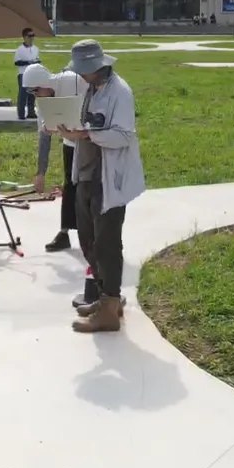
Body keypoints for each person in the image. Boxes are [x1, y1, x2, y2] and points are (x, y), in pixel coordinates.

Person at [55, 40, 146, 334]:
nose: (81, 76)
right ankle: (109, 298)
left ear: (98, 67)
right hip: (87, 173)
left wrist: (86, 134)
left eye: (85, 71)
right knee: (88, 239)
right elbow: (87, 125)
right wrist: (63, 127)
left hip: (108, 178)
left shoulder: (120, 92)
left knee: (106, 243)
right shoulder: (92, 89)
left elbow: (123, 136)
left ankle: (109, 308)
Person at [22, 63, 89, 259]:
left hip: (88, 141)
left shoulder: (71, 80)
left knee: (88, 186)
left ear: (45, 83)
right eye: (31, 92)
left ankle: (91, 233)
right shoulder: (42, 104)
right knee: (69, 185)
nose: (35, 95)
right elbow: (44, 138)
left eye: (36, 90)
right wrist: (41, 173)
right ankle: (64, 232)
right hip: (69, 143)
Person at [13, 28, 40, 120]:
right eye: (30, 36)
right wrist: (28, 62)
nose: (32, 38)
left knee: (32, 94)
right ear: (24, 37)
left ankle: (31, 112)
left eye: (33, 35)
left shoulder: (36, 49)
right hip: (23, 74)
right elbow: (17, 62)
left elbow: (37, 59)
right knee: (23, 95)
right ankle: (21, 114)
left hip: (33, 73)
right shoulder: (20, 49)